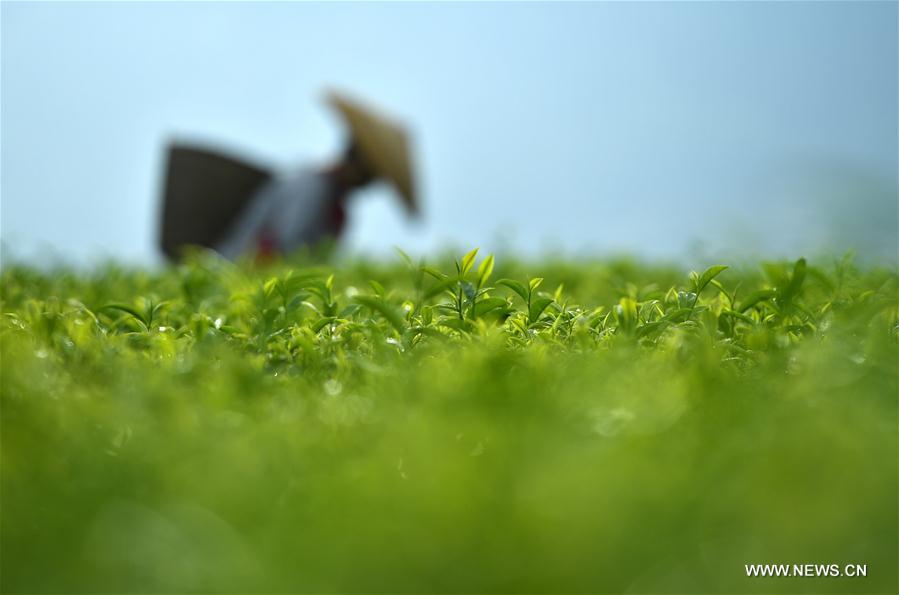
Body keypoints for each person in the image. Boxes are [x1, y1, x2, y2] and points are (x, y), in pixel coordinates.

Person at [159, 91, 417, 261]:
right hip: (240, 279)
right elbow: (285, 247)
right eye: (370, 176)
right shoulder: (311, 187)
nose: (369, 186)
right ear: (358, 166)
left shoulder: (333, 201)